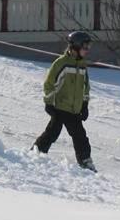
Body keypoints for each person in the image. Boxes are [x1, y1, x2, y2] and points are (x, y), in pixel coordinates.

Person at [34, 31, 95, 171]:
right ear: (76, 46)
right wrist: (49, 103)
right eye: (85, 47)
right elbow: (49, 84)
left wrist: (84, 105)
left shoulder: (82, 65)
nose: (87, 50)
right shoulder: (61, 63)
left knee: (80, 136)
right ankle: (35, 153)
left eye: (88, 47)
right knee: (52, 133)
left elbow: (86, 87)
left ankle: (85, 161)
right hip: (60, 107)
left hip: (74, 110)